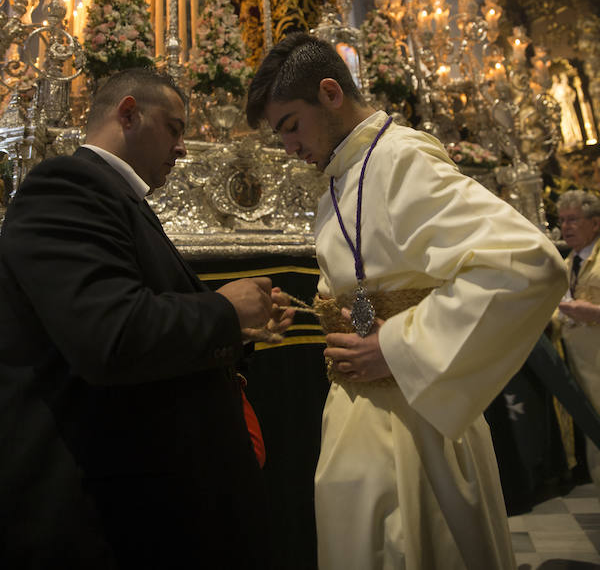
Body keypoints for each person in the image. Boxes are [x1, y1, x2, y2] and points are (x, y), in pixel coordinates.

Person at [246, 31, 567, 570]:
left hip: (408, 425)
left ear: (330, 93)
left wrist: (396, 347)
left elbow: (527, 261)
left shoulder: (398, 160)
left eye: (291, 127)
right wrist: (317, 308)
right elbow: (381, 279)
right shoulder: (345, 172)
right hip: (362, 417)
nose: (289, 149)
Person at [0, 68, 292, 570]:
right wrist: (225, 311)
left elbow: (145, 305)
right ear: (129, 113)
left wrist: (240, 328)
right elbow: (111, 335)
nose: (183, 147)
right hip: (107, 512)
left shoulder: (116, 199)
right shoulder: (65, 188)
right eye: (175, 128)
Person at [555, 189, 600, 486]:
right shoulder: (569, 260)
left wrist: (595, 312)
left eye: (573, 220)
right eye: (562, 220)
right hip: (578, 362)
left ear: (595, 223)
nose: (565, 227)